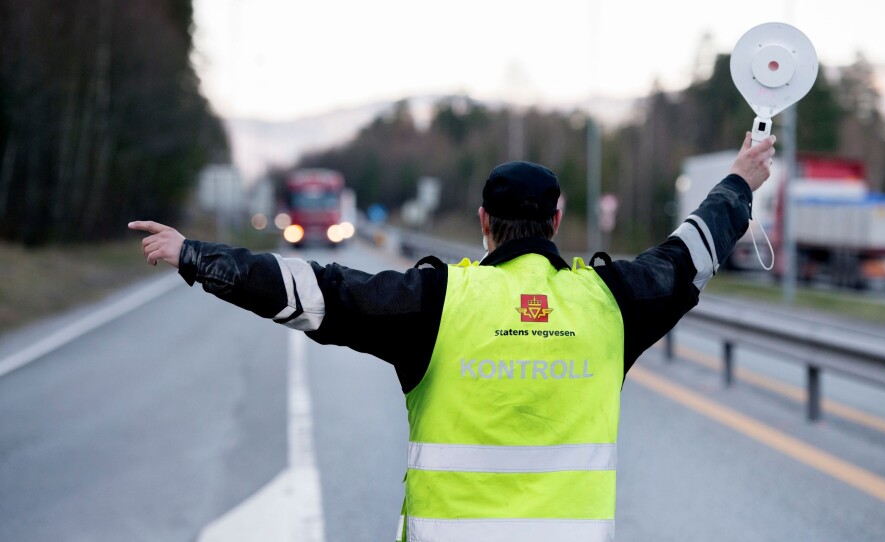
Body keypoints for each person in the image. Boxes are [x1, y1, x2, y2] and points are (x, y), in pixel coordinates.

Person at [130, 132, 775, 542]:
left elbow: (309, 291)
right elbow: (690, 254)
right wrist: (740, 181)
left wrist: (196, 256)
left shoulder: (438, 303)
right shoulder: (610, 304)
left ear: (483, 224)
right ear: (556, 220)